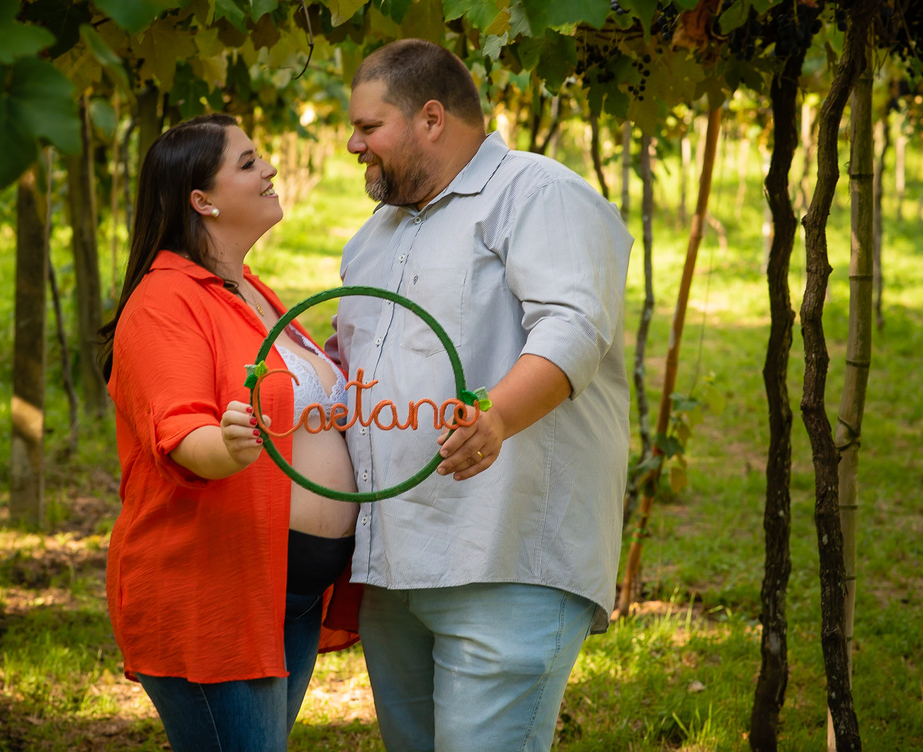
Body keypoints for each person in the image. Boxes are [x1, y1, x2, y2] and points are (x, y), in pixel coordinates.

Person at [329, 39, 633, 751]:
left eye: (368, 126)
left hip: (504, 559)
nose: (352, 144)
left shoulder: (537, 192)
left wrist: (496, 414)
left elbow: (574, 324)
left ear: (431, 118)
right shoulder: (375, 236)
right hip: (394, 569)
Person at [100, 113, 360, 752]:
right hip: (213, 591)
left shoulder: (247, 290)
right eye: (247, 162)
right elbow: (181, 432)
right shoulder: (164, 300)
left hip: (287, 592)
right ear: (202, 201)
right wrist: (228, 446)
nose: (270, 167)